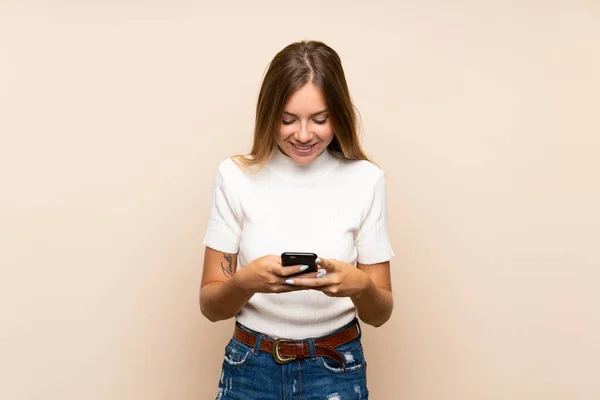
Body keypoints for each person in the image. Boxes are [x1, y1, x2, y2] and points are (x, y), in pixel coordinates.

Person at [200, 40, 394, 399]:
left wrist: (360, 286)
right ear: (268, 114)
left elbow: (380, 312)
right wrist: (245, 282)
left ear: (339, 114)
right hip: (250, 368)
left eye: (319, 119)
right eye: (287, 120)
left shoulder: (367, 180)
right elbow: (210, 306)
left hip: (335, 367)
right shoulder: (234, 177)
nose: (303, 135)